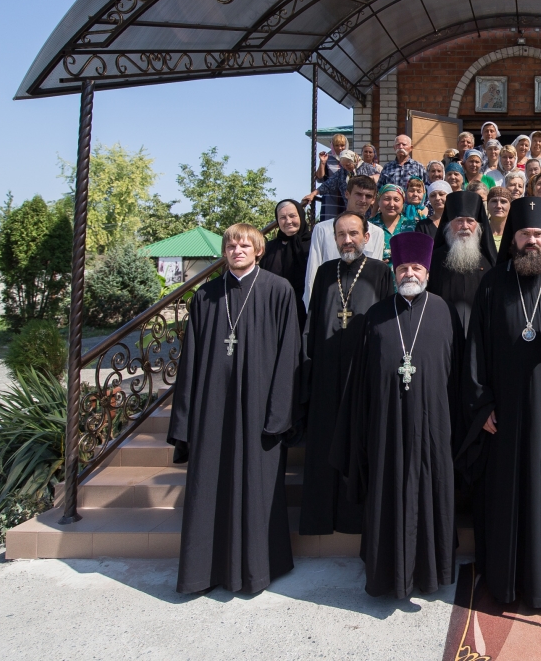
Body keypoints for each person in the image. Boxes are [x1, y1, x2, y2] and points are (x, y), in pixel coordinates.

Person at [461, 197, 541, 611]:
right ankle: (505, 577)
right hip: (506, 416)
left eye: (538, 234)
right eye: (524, 234)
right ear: (512, 239)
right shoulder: (492, 283)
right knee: (505, 494)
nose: (532, 241)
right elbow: (475, 348)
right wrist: (482, 406)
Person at [167, 224, 300, 595]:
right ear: (224, 251)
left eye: (245, 244)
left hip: (260, 410)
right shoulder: (206, 295)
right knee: (211, 487)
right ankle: (203, 571)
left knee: (257, 489)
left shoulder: (278, 290)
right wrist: (185, 420)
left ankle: (258, 569)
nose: (237, 249)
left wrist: (279, 413)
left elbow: (289, 354)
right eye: (231, 244)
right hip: (213, 410)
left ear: (259, 250)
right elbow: (190, 360)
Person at [338, 231, 459, 599]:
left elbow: (456, 374)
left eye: (417, 267)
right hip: (386, 426)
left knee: (431, 490)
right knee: (387, 489)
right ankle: (386, 570)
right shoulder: (375, 315)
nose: (410, 273)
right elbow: (360, 380)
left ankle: (430, 572)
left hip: (433, 425)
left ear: (427, 272)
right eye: (403, 267)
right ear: (394, 271)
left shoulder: (444, 311)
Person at [299, 212, 393, 536]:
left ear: (367, 237)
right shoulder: (325, 272)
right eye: (341, 235)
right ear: (334, 239)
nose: (347, 239)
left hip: (362, 374)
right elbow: (311, 324)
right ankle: (322, 518)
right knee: (324, 445)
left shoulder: (381, 272)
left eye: (353, 233)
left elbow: (388, 326)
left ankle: (356, 520)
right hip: (327, 373)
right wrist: (308, 370)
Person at [303, 175, 384, 304]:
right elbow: (312, 274)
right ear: (347, 194)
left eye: (368, 196)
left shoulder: (377, 233)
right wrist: (312, 311)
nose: (363, 200)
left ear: (374, 199)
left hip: (362, 304)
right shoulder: (323, 229)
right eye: (358, 194)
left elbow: (375, 276)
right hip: (329, 301)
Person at [427, 191, 498, 333]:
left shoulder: (489, 260)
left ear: (478, 226)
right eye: (459, 221)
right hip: (442, 329)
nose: (465, 226)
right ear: (448, 225)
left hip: (480, 330)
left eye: (470, 221)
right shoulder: (434, 258)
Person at [260, 199, 311, 326]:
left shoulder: (313, 244)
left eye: (292, 216)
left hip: (306, 310)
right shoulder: (269, 248)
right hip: (274, 311)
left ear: (301, 215)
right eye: (282, 217)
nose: (288, 221)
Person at [371, 184, 418, 267]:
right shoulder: (369, 226)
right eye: (387, 199)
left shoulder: (414, 226)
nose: (391, 204)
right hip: (376, 277)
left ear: (403, 203)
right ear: (378, 201)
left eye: (396, 200)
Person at [316, 134, 349, 220]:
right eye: (336, 145)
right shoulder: (327, 157)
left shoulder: (350, 157)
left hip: (346, 196)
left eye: (342, 145)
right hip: (330, 197)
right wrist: (322, 162)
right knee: (329, 224)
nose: (340, 148)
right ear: (332, 146)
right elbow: (320, 178)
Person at [486, 184, 510, 249]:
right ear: (487, 205)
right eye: (494, 201)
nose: (498, 206)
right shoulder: (480, 233)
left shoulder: (515, 234)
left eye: (503, 201)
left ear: (510, 206)